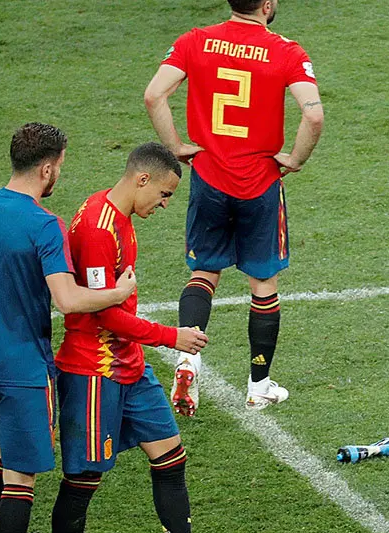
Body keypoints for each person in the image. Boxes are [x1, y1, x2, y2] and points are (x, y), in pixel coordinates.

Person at [0, 123, 135, 533]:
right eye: (60, 168)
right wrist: (118, 293)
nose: (59, 176)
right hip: (22, 368)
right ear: (47, 168)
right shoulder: (43, 225)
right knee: (20, 479)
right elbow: (67, 298)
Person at [144, 0, 324, 413]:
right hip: (259, 182)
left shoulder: (194, 41)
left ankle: (188, 358)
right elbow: (313, 117)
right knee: (263, 284)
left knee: (204, 270)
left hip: (209, 178)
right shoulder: (286, 51)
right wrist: (295, 159)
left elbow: (154, 94)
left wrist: (174, 148)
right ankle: (258, 384)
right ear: (266, 4)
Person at [51, 143, 210, 533]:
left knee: (171, 455)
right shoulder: (99, 230)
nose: (164, 204)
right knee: (84, 479)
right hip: (93, 369)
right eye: (164, 194)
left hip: (129, 366)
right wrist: (169, 337)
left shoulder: (119, 216)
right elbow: (104, 312)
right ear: (143, 179)